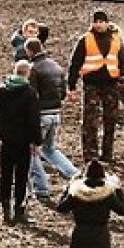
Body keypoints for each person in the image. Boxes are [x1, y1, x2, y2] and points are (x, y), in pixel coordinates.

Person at [68, 9, 124, 163]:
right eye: (96, 22)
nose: (98, 25)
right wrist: (72, 86)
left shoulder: (116, 40)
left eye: (101, 22)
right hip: (92, 85)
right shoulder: (85, 40)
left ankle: (107, 154)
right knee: (90, 121)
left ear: (107, 23)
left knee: (111, 120)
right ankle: (90, 154)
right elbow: (75, 63)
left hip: (111, 85)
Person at [0, 60, 42, 224]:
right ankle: (19, 211)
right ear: (27, 74)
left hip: (6, 140)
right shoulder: (29, 93)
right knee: (21, 177)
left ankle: (5, 210)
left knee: (5, 175)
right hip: (23, 142)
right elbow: (33, 120)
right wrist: (37, 141)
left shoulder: (2, 90)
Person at [25, 37, 79, 202]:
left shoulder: (34, 69)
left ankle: (42, 189)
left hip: (41, 115)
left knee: (32, 153)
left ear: (29, 51)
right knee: (50, 149)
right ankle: (74, 174)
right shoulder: (56, 66)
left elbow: (32, 96)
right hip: (55, 113)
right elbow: (62, 92)